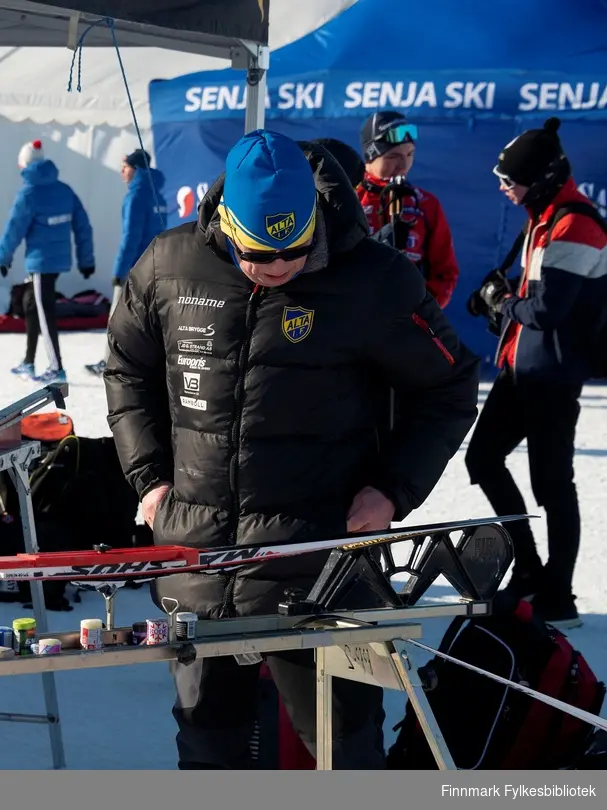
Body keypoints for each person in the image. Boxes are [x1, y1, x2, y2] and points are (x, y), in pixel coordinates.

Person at [103, 129, 479, 769]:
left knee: (342, 750)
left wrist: (391, 489)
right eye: (259, 255)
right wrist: (149, 477)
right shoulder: (170, 264)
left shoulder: (373, 279)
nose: (279, 268)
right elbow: (127, 369)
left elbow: (448, 385)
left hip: (321, 564)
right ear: (225, 223)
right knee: (209, 751)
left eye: (295, 251)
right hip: (201, 560)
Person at [465, 117, 607, 630]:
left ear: (543, 178)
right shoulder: (543, 214)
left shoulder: (578, 223)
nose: (504, 188)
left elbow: (547, 309)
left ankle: (559, 594)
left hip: (551, 377)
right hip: (519, 371)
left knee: (552, 486)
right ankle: (528, 566)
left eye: (511, 180)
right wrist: (498, 296)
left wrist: (501, 303)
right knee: (482, 460)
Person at [0, 139, 95, 384]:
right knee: (31, 304)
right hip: (58, 260)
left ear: (23, 166)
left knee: (44, 312)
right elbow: (82, 226)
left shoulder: (28, 193)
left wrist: (4, 257)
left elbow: (14, 229)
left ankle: (56, 367)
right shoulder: (64, 190)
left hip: (41, 264)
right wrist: (86, 259)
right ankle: (29, 362)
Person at [355, 111, 461, 309]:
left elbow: (445, 272)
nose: (403, 165)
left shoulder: (425, 204)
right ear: (370, 156)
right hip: (353, 315)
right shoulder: (351, 197)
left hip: (405, 321)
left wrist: (422, 307)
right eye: (393, 156)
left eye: (410, 154)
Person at [86, 148, 167, 376]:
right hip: (155, 266)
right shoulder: (158, 193)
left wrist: (119, 271)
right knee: (149, 320)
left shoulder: (136, 194)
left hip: (134, 268)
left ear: (136, 169)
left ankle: (109, 362)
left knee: (118, 317)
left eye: (125, 167)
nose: (122, 172)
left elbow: (130, 236)